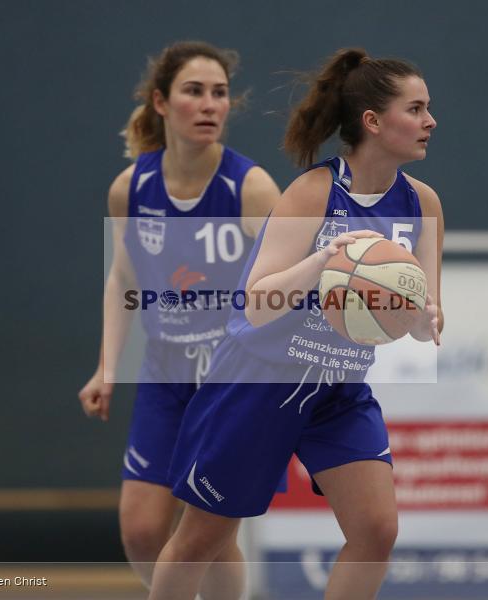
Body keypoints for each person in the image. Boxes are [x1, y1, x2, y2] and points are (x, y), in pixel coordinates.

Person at [147, 47, 444, 600]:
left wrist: (424, 320)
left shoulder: (422, 204)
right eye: (417, 108)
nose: (430, 121)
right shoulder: (313, 192)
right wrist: (323, 262)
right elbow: (256, 302)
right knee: (200, 541)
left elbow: (424, 321)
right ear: (373, 122)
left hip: (339, 388)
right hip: (259, 382)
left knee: (377, 530)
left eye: (429, 108)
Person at [77, 41, 280, 599]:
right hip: (166, 375)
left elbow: (290, 286)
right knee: (143, 534)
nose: (211, 104)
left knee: (205, 537)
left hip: (231, 383)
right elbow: (124, 281)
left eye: (220, 93)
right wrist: (106, 367)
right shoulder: (132, 189)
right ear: (161, 103)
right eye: (195, 91)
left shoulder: (250, 188)